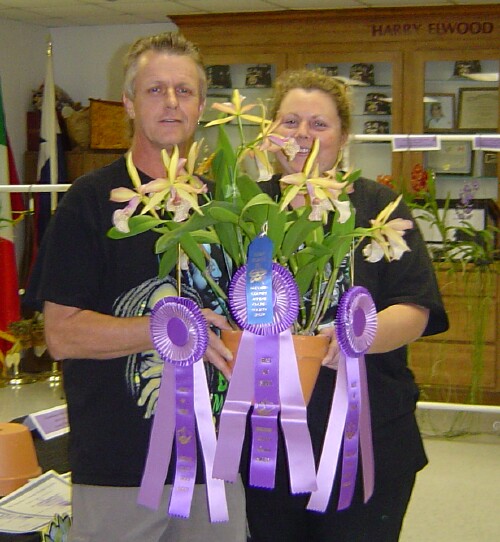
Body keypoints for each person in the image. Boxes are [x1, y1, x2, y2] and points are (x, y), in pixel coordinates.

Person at [32, 32, 245, 542]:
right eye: (155, 90)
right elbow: (63, 335)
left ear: (200, 105)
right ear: (128, 102)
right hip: (119, 469)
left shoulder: (229, 207)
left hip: (216, 467)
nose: (171, 103)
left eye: (184, 91)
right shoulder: (88, 202)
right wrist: (165, 331)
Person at [243, 69, 449, 542]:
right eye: (290, 121)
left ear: (344, 136)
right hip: (263, 444)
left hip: (369, 438)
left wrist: (361, 334)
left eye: (320, 124)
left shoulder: (380, 208)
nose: (303, 135)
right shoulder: (247, 210)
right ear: (270, 132)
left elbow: (415, 309)